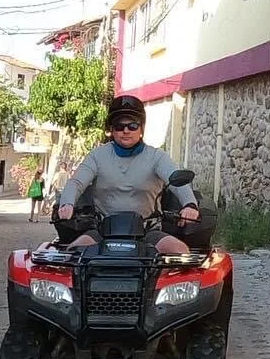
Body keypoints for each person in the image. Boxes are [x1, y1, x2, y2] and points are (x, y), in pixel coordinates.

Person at [56, 95, 199, 255]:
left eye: (132, 125)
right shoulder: (97, 155)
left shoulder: (157, 157)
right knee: (75, 253)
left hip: (147, 231)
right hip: (103, 231)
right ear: (112, 129)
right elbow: (76, 182)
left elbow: (176, 179)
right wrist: (67, 204)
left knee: (180, 251)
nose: (125, 131)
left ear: (141, 128)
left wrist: (190, 205)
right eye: (119, 126)